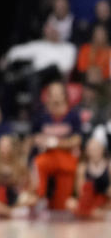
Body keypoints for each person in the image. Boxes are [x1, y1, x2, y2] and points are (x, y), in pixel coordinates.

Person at [33, 82, 83, 210]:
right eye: (52, 93)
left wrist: (56, 143)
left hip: (67, 159)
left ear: (64, 95)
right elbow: (33, 137)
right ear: (47, 96)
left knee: (61, 204)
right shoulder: (41, 115)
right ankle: (40, 197)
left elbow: (77, 139)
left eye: (58, 92)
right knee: (39, 163)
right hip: (48, 157)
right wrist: (38, 140)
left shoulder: (73, 115)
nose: (55, 96)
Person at [67, 137, 111, 219]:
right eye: (92, 149)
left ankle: (93, 213)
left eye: (97, 148)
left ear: (102, 149)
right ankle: (94, 213)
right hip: (89, 199)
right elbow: (80, 191)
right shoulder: (82, 167)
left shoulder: (108, 165)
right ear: (87, 151)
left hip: (105, 199)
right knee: (70, 203)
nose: (95, 151)